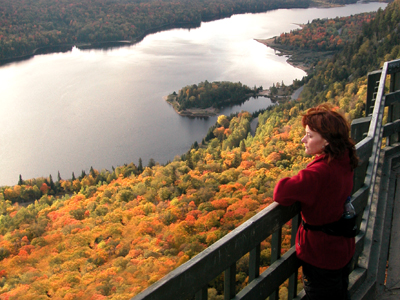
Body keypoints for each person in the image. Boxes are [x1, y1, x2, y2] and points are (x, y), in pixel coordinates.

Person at [273, 103, 358, 300]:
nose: (304, 139)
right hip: (342, 247)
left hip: (322, 255)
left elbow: (281, 192)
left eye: (310, 135)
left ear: (327, 141)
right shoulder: (345, 158)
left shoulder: (319, 173)